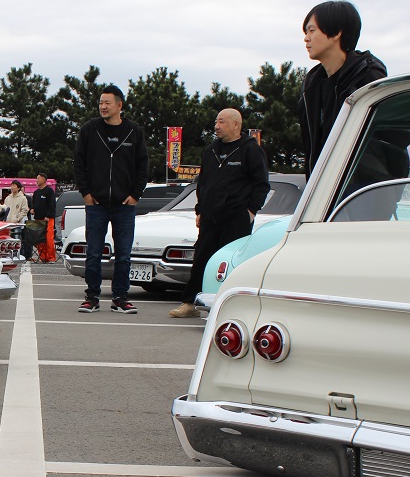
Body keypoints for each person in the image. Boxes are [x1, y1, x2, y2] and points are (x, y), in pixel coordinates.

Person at [170, 109, 270, 318]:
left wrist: (251, 211)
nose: (216, 126)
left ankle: (231, 305)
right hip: (210, 217)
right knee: (201, 259)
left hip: (236, 217)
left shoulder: (251, 150)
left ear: (236, 125)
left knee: (231, 263)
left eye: (222, 122)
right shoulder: (211, 150)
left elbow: (261, 184)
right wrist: (200, 210)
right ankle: (189, 303)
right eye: (216, 122)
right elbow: (203, 182)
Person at [73, 84, 148, 313]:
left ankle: (120, 298)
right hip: (96, 204)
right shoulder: (90, 129)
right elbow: (79, 163)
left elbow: (142, 165)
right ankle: (92, 297)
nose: (103, 107)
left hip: (124, 205)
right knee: (94, 253)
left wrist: (135, 194)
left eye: (107, 103)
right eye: (100, 103)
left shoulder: (133, 131)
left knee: (123, 254)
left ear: (119, 105)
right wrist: (86, 193)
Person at [298, 0, 387, 179]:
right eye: (306, 32)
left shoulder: (367, 76)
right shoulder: (310, 86)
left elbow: (389, 138)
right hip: (326, 186)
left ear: (336, 32)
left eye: (312, 30)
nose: (306, 38)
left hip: (362, 187)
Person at [27, 172, 56, 262]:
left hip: (47, 219)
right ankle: (42, 257)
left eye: (38, 178)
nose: (37, 180)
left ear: (43, 179)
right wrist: (32, 209)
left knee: (49, 238)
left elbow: (52, 204)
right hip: (38, 219)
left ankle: (51, 258)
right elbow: (33, 204)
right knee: (39, 239)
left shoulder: (49, 191)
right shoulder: (36, 192)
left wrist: (48, 215)